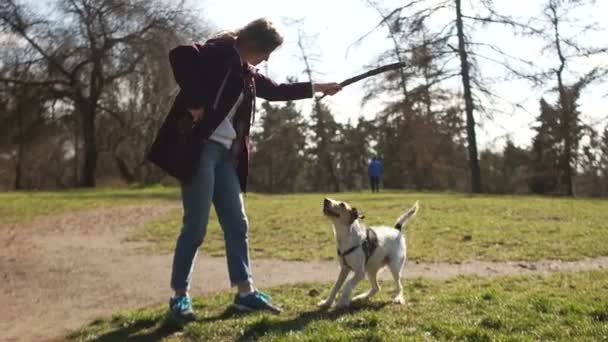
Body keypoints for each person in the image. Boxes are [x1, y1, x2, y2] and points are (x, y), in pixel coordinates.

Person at [164, 18, 342, 321]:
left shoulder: (246, 73)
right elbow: (179, 55)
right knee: (195, 226)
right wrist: (194, 102)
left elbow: (276, 91)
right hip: (200, 150)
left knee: (237, 224)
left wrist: (318, 87)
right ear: (252, 42)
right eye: (267, 51)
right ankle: (179, 297)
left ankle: (245, 293)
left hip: (224, 156)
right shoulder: (218, 52)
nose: (268, 59)